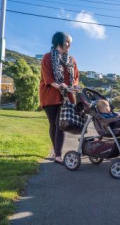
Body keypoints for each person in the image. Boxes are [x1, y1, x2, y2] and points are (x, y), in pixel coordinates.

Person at [39, 32, 79, 164]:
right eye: (67, 42)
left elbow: (76, 78)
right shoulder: (47, 57)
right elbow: (48, 79)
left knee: (60, 124)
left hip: (66, 96)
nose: (69, 45)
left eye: (70, 42)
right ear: (59, 42)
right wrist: (61, 86)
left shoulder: (71, 60)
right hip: (50, 94)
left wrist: (72, 86)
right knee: (53, 124)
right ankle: (56, 152)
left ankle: (57, 155)